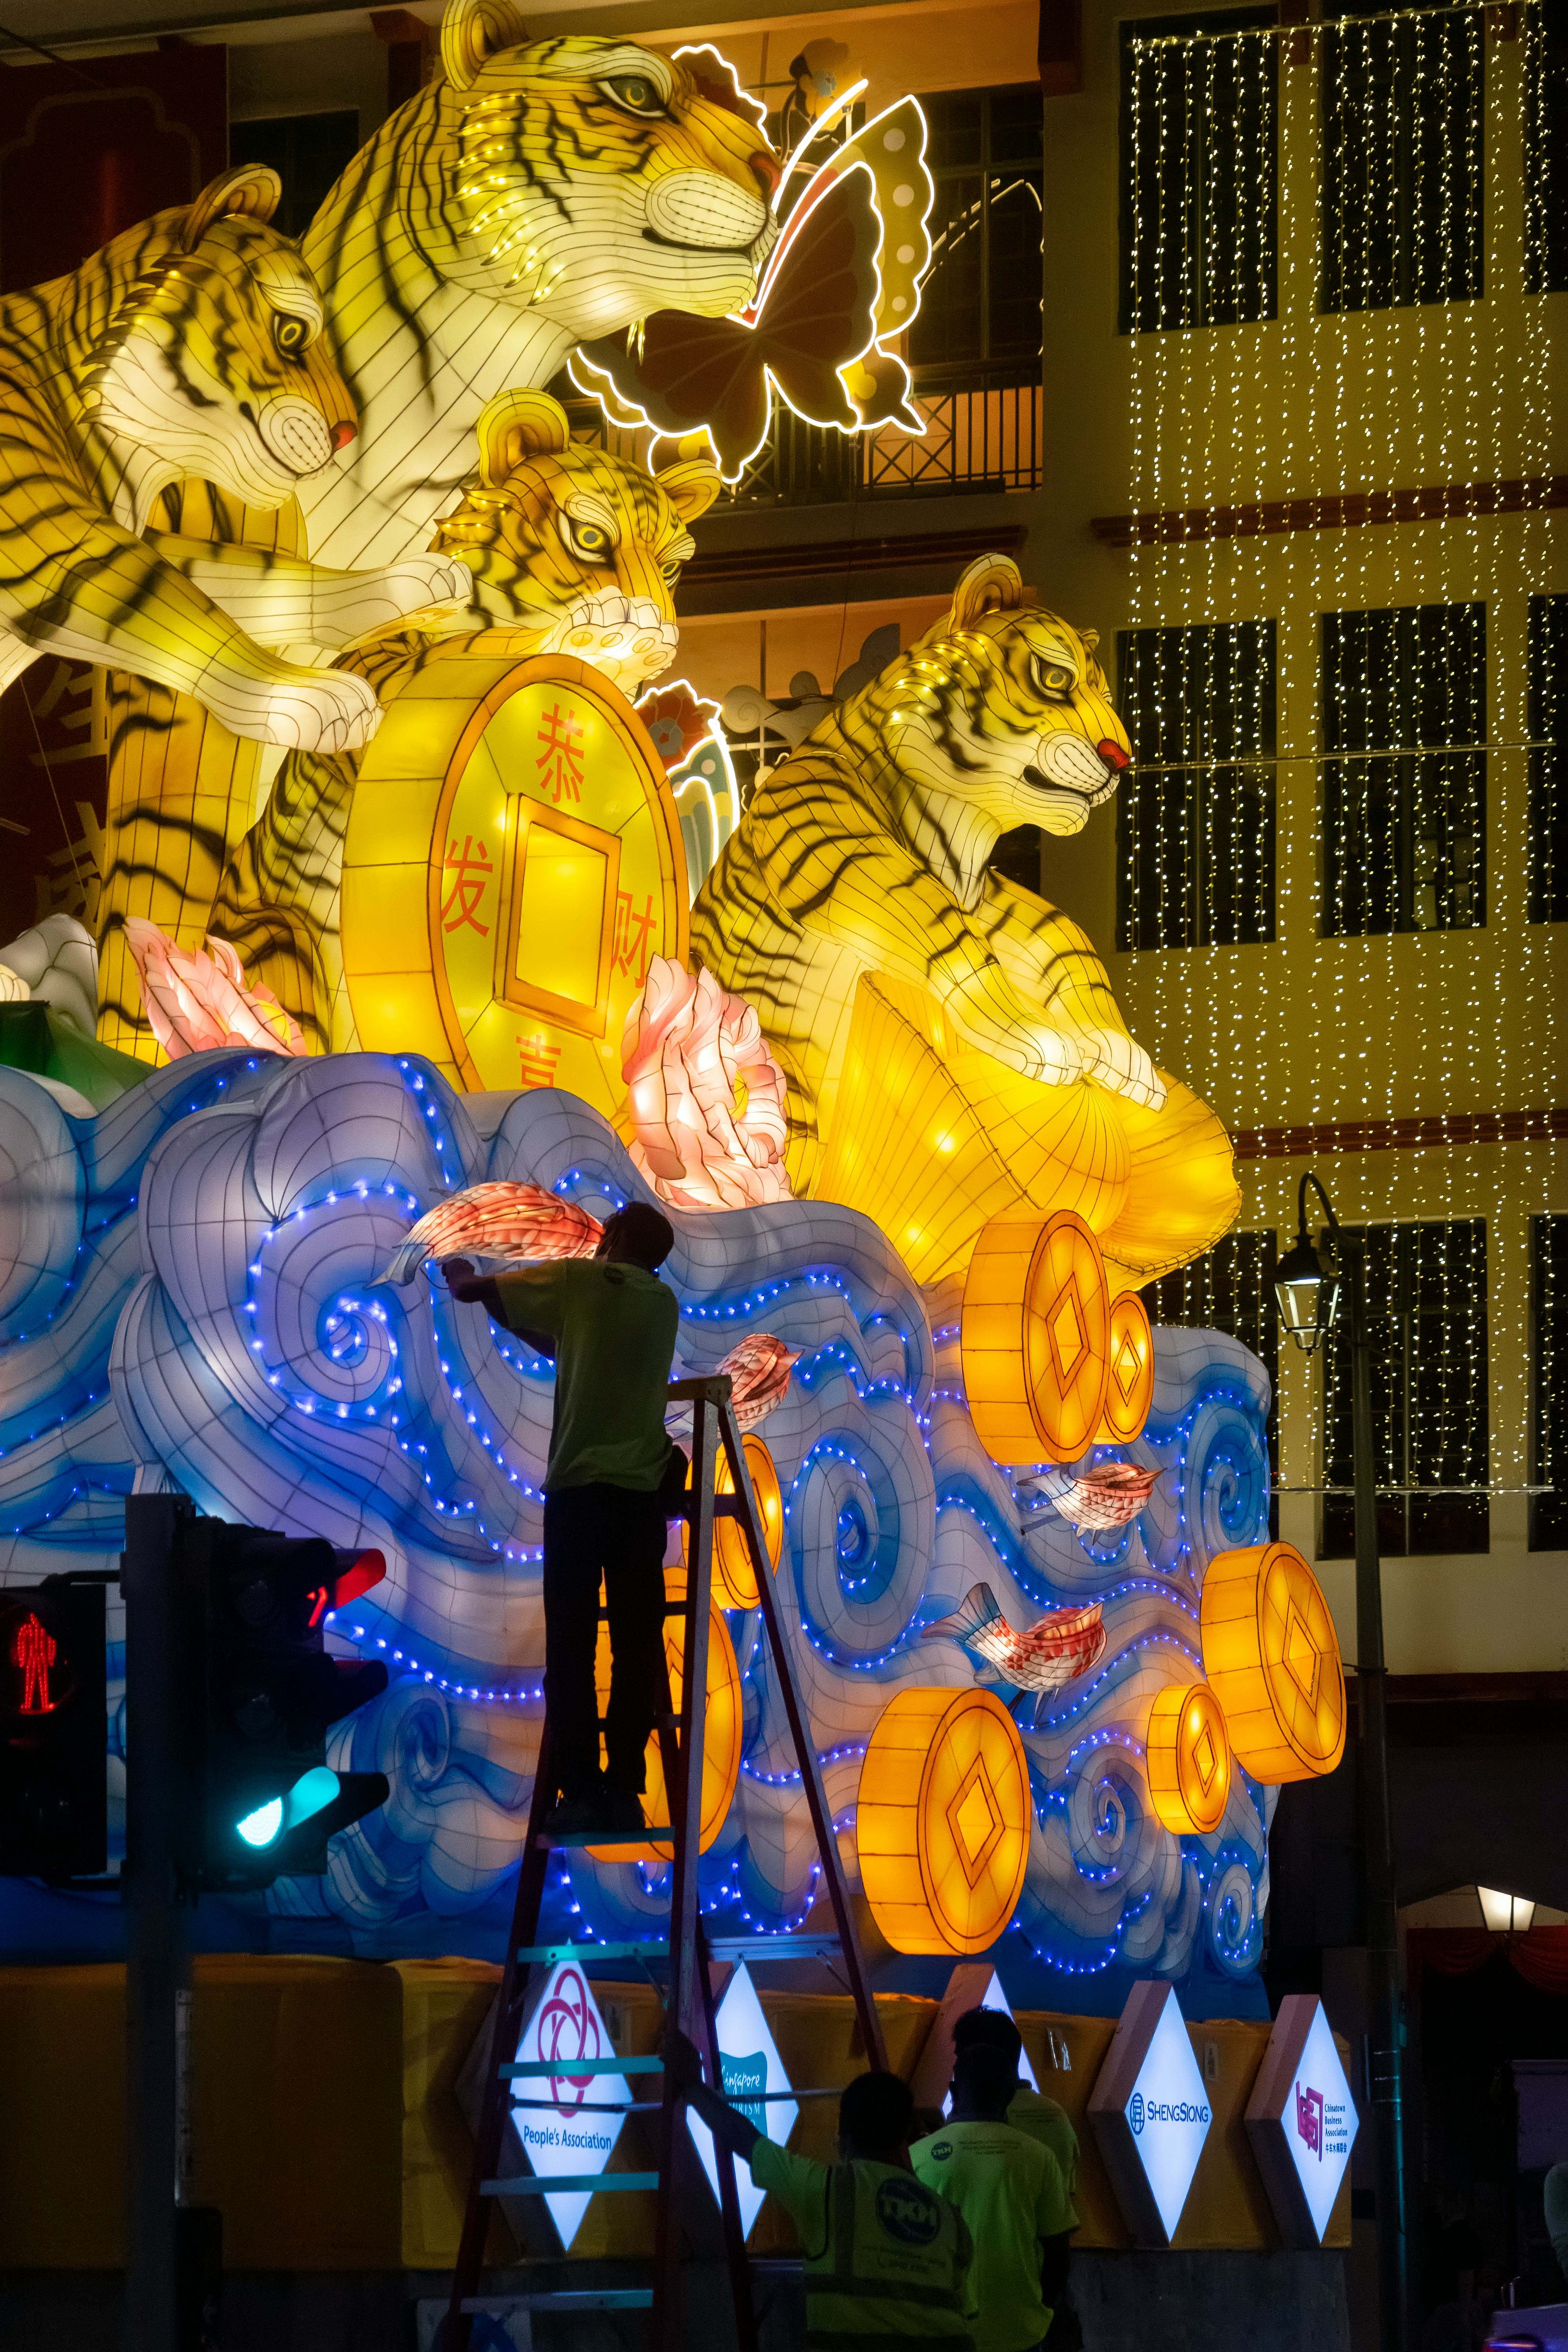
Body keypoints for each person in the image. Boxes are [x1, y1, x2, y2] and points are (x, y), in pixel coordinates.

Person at [442, 1200, 682, 1836]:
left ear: (617, 1237)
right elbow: (569, 1346)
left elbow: (477, 1292)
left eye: (605, 1232)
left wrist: (457, 1263)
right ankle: (624, 1789)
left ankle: (579, 1790)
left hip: (578, 1496)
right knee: (636, 1648)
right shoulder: (661, 1305)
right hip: (637, 1502)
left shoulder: (579, 1283)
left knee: (571, 1650)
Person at [666, 2028, 977, 2346]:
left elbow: (744, 2138)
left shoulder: (827, 2191)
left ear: (844, 2138)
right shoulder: (949, 2219)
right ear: (905, 2137)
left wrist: (692, 2084)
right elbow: (967, 2313)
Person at [912, 2043, 1074, 2352]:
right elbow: (1057, 2254)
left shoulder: (916, 2156)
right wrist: (1041, 2307)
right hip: (1021, 2330)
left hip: (941, 2330)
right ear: (1010, 2096)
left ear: (954, 2091)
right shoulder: (1039, 2157)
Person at [951, 2008, 1081, 2222]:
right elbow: (1065, 2200)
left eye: (959, 2057)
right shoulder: (1057, 2116)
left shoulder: (969, 2121)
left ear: (976, 2058)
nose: (955, 2067)